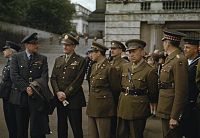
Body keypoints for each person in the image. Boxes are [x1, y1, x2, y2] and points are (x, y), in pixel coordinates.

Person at [9, 33, 52, 138]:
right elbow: (14, 75)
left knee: (37, 130)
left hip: (36, 98)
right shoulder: (16, 57)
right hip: (20, 98)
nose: (37, 46)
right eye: (34, 44)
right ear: (26, 45)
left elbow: (44, 77)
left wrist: (33, 87)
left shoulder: (42, 58)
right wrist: (26, 88)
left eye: (37, 43)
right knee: (21, 129)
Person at [116, 39, 158, 138]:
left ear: (143, 52)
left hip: (138, 109)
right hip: (123, 105)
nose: (131, 54)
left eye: (134, 51)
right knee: (121, 134)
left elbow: (153, 92)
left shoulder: (149, 70)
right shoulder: (125, 66)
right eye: (130, 52)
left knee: (136, 134)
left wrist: (152, 104)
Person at [50, 34, 86, 138]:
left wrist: (65, 94)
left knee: (76, 128)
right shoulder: (59, 59)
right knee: (61, 127)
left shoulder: (80, 60)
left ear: (74, 46)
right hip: (60, 99)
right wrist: (57, 92)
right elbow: (53, 78)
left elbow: (78, 81)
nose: (64, 47)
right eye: (64, 45)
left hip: (74, 99)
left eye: (68, 45)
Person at [156, 30, 188, 138]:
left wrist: (175, 116)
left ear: (168, 43)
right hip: (166, 107)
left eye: (164, 41)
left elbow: (181, 90)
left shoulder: (179, 60)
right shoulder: (170, 59)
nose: (163, 44)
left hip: (171, 109)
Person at [86, 42, 121, 138]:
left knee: (103, 134)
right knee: (92, 134)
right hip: (92, 106)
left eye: (92, 52)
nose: (90, 55)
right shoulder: (94, 66)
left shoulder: (110, 68)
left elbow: (115, 89)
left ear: (98, 53)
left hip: (103, 108)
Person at [0, 41, 21, 138]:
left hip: (11, 98)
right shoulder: (10, 62)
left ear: (11, 51)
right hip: (6, 97)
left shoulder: (15, 63)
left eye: (5, 49)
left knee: (13, 124)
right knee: (10, 124)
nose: (3, 51)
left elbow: (13, 82)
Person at [109, 40, 129, 138]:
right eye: (111, 48)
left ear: (121, 50)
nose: (112, 50)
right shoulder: (109, 62)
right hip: (109, 95)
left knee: (118, 119)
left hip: (118, 95)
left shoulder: (124, 63)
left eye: (114, 49)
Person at [181, 38, 200, 138]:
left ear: (196, 49)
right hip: (184, 104)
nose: (185, 49)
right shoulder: (184, 61)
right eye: (184, 47)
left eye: (188, 47)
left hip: (194, 105)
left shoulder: (198, 63)